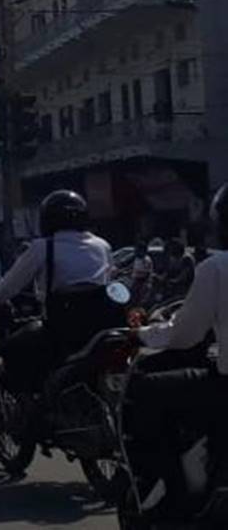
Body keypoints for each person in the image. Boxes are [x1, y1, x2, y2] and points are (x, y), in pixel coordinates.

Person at [127, 184, 228, 512]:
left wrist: (143, 335)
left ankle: (174, 489)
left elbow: (186, 334)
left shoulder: (215, 268)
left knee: (144, 391)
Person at [0, 189, 114, 391]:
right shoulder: (102, 246)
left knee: (13, 348)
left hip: (61, 326)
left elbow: (10, 285)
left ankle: (34, 408)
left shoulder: (43, 247)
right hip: (100, 327)